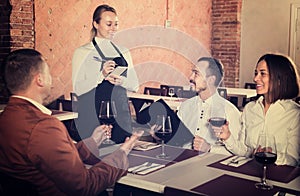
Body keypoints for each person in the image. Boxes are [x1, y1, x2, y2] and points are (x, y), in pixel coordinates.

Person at [0, 48, 143, 195]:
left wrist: (92, 141)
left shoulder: (6, 118)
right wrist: (122, 153)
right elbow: (85, 186)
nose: (51, 78)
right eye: (48, 72)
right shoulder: (44, 126)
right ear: (40, 79)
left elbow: (54, 157)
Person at [217, 53, 300, 166]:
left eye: (263, 74)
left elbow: (294, 160)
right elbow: (245, 152)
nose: (255, 78)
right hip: (251, 175)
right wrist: (227, 137)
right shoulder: (250, 109)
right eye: (256, 73)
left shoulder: (295, 114)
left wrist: (273, 155)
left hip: (280, 180)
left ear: (279, 79)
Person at [72, 4, 139, 143]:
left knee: (122, 159)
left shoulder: (124, 51)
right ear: (95, 24)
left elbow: (135, 85)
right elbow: (78, 89)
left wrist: (121, 81)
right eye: (109, 24)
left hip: (121, 116)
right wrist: (101, 75)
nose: (113, 28)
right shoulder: (82, 53)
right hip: (92, 116)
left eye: (116, 24)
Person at [177, 57, 242, 155]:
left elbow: (240, 153)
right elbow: (176, 142)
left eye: (196, 74)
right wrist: (159, 135)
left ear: (211, 80)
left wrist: (210, 148)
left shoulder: (230, 111)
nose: (190, 77)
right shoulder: (184, 107)